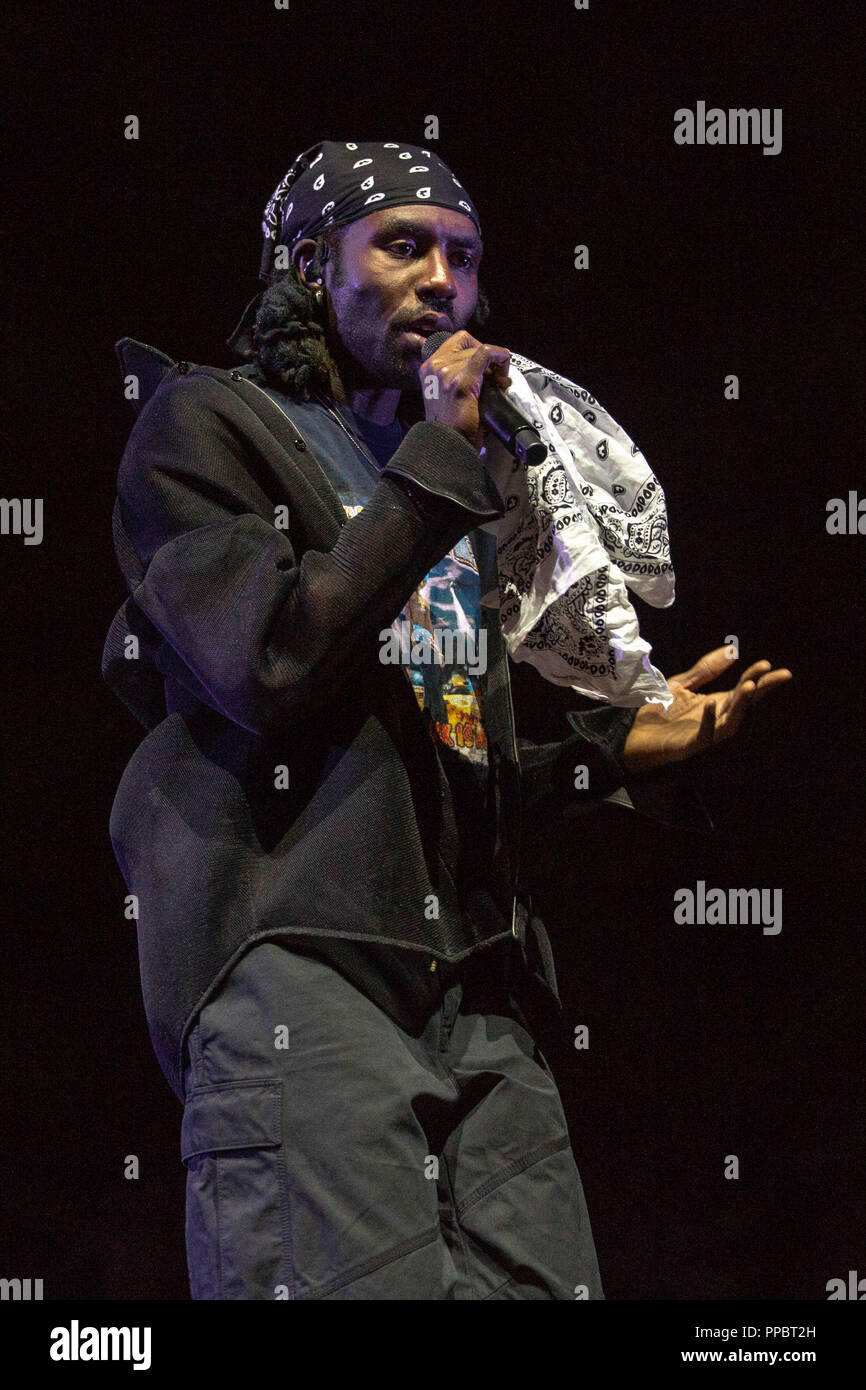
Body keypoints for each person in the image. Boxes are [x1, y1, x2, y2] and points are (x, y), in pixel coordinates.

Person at [102, 140, 791, 1300]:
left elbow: (454, 745)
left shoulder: (454, 478)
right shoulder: (209, 426)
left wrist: (624, 745)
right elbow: (266, 664)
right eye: (404, 247)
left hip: (481, 990)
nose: (441, 281)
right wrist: (434, 469)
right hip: (304, 965)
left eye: (462, 258)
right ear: (313, 265)